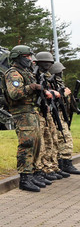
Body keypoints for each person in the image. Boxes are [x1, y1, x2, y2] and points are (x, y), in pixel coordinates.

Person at [3, 46, 45, 192]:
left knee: (35, 144)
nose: (29, 59)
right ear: (18, 57)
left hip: (31, 112)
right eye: (26, 56)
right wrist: (32, 87)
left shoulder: (26, 72)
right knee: (26, 144)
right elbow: (14, 93)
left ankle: (31, 173)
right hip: (22, 113)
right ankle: (25, 178)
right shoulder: (13, 74)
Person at [34, 51, 69, 180]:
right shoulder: (35, 75)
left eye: (49, 63)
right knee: (44, 142)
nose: (48, 65)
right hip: (39, 112)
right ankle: (44, 168)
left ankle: (52, 167)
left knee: (52, 140)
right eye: (46, 63)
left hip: (48, 111)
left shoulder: (46, 77)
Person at [50, 61, 80, 174]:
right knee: (64, 139)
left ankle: (64, 163)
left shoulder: (59, 84)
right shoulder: (52, 84)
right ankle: (65, 163)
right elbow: (54, 99)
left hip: (62, 116)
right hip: (56, 116)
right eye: (60, 72)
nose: (62, 74)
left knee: (63, 139)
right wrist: (64, 94)